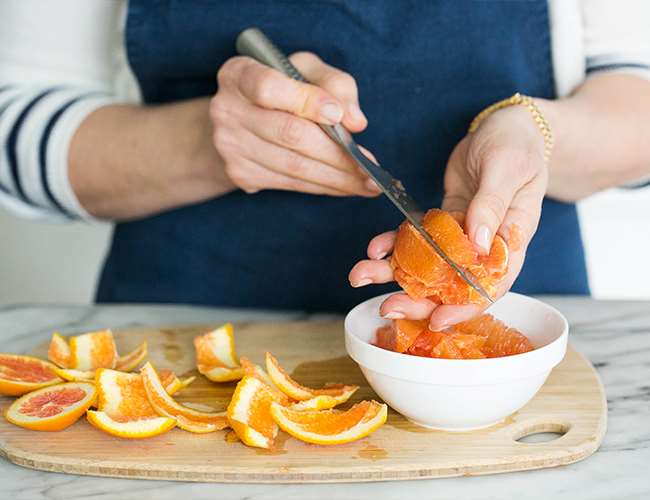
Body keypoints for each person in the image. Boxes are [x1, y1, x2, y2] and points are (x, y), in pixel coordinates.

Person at [1, 1, 649, 330]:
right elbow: (13, 133)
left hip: (502, 330)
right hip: (190, 331)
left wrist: (535, 133)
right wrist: (207, 143)